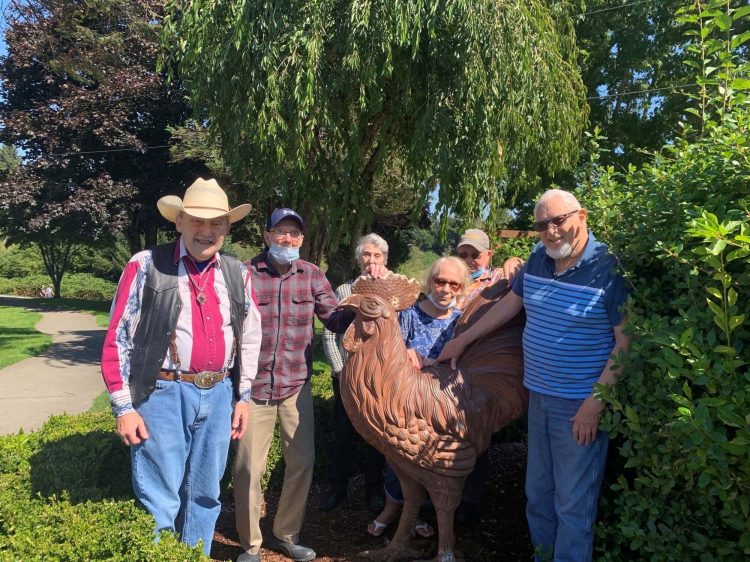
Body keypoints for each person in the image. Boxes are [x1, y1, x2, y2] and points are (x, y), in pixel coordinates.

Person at [439, 189, 630, 562]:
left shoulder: (609, 269)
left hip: (578, 405)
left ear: (582, 216)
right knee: (539, 495)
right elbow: (513, 303)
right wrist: (462, 340)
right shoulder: (540, 259)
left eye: (558, 221)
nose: (551, 231)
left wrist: (595, 403)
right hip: (538, 397)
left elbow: (626, 345)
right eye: (542, 224)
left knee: (573, 504)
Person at [100, 177, 262, 556]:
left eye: (216, 223)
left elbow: (250, 338)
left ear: (227, 227)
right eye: (196, 221)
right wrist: (124, 407)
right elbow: (117, 340)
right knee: (161, 501)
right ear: (179, 222)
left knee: (206, 496)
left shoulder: (238, 274)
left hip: (221, 393)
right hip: (162, 394)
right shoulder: (146, 265)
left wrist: (243, 396)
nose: (206, 231)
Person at [233, 209, 389, 562]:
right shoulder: (244, 273)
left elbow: (335, 320)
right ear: (267, 234)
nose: (287, 239)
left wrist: (369, 291)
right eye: (280, 232)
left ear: (301, 240)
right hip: (253, 388)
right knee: (248, 469)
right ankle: (250, 545)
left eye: (294, 234)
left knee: (302, 463)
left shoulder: (312, 275)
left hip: (295, 386)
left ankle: (286, 535)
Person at [367, 256, 471, 539]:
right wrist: (406, 355)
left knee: (430, 459)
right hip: (405, 401)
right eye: (440, 281)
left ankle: (418, 515)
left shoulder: (462, 323)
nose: (445, 288)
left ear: (461, 288)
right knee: (398, 457)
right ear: (430, 281)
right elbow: (389, 350)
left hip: (442, 404)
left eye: (453, 283)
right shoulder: (410, 314)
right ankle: (392, 507)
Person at [453, 227, 524, 524]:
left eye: (475, 254)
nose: (470, 259)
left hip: (485, 368)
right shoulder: (452, 280)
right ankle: (446, 498)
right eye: (464, 254)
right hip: (452, 365)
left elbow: (521, 277)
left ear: (489, 255)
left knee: (476, 432)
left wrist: (516, 259)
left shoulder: (500, 280)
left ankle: (471, 501)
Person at [318, 233, 387, 515]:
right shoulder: (345, 290)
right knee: (343, 435)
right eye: (366, 255)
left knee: (376, 437)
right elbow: (330, 334)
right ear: (359, 259)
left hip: (379, 379)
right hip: (347, 377)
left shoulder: (389, 290)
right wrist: (339, 370)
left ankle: (375, 492)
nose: (371, 260)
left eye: (377, 255)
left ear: (385, 259)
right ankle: (338, 489)